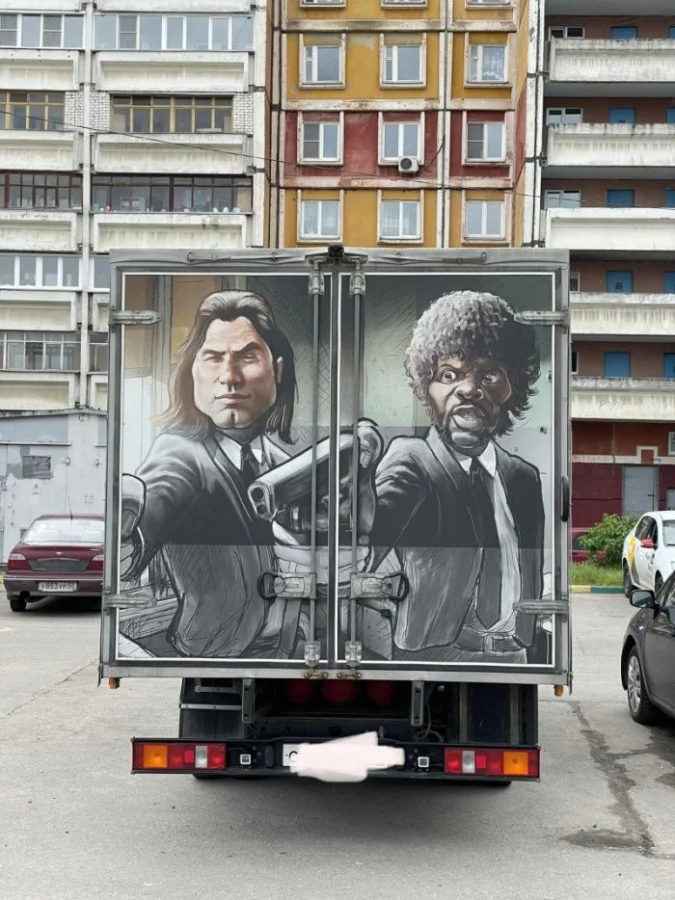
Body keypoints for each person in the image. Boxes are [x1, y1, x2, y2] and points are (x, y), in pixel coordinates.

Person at [119, 289, 303, 659]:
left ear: (278, 371)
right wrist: (128, 531)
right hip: (214, 652)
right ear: (192, 374)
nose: (230, 377)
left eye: (247, 357)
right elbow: (151, 508)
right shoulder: (179, 454)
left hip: (289, 648)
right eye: (213, 358)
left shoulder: (286, 464)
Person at [369, 290, 545, 663]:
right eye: (449, 374)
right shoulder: (411, 461)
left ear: (513, 386)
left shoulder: (523, 478)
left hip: (513, 654)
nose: (468, 389)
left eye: (489, 374)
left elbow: (529, 569)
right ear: (427, 388)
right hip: (433, 655)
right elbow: (370, 534)